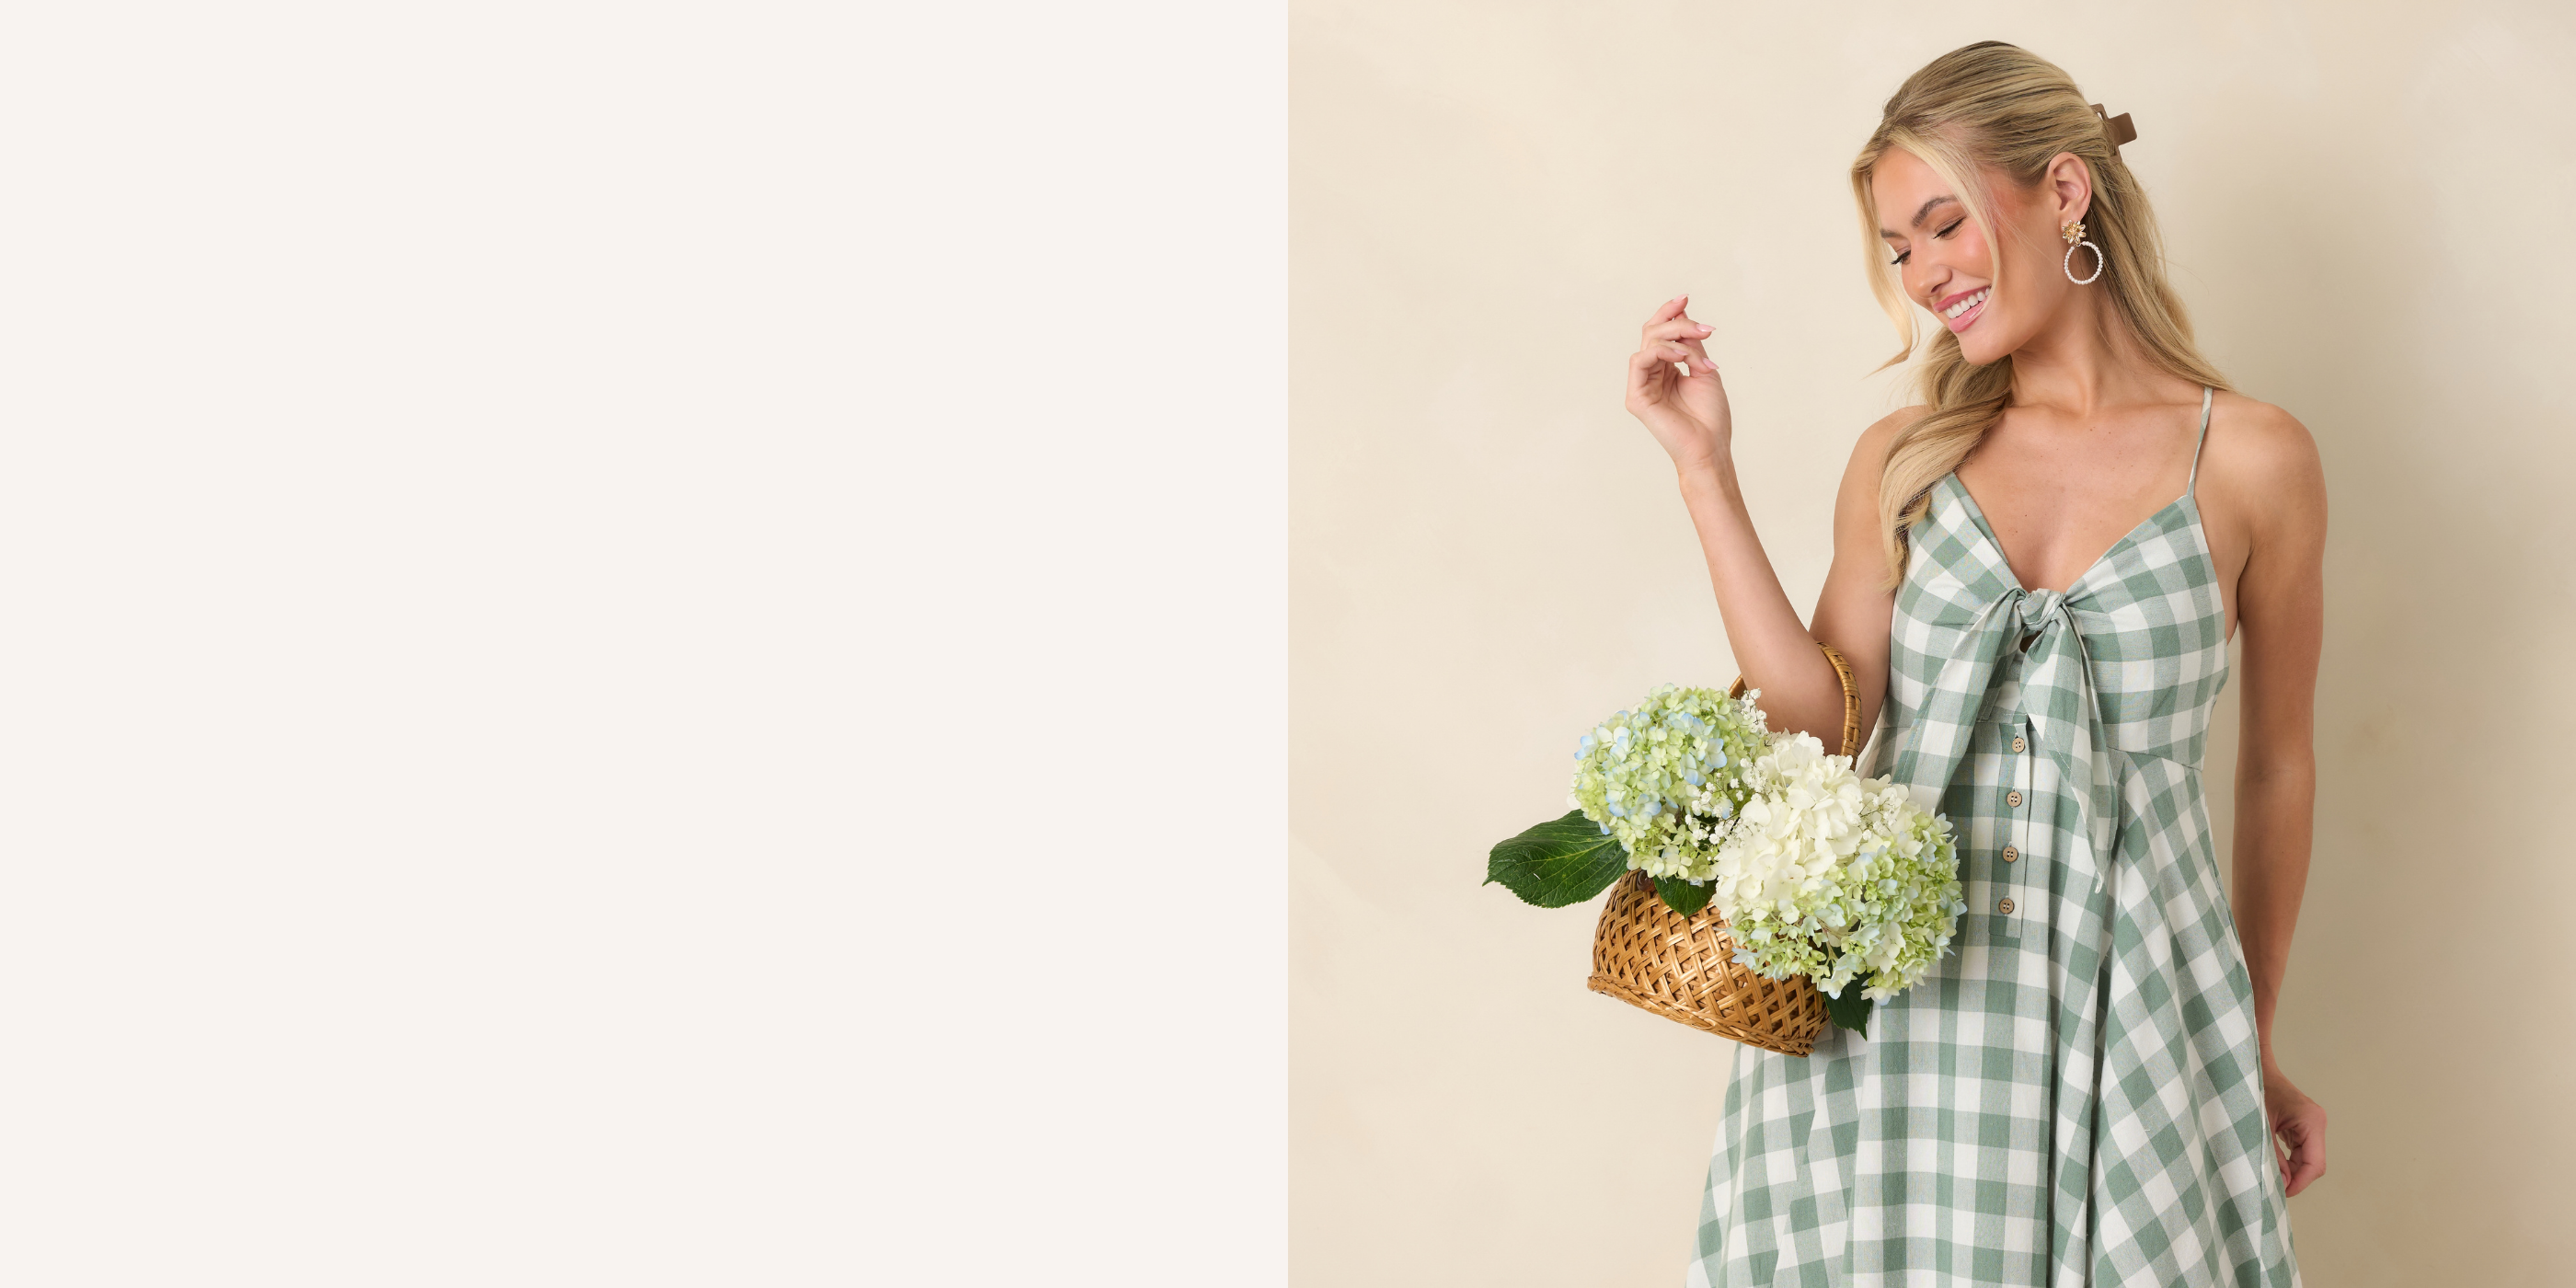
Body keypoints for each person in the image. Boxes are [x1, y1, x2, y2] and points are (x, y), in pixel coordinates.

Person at [1621, 41, 2327, 1287]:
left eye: (1943, 224)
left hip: (2134, 1012)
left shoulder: (2256, 461)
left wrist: (2251, 1038)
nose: (1926, 274)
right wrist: (1703, 471)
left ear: (2065, 193)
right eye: (1900, 251)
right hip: (1896, 1010)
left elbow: (2274, 766)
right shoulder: (1907, 454)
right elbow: (1816, 726)